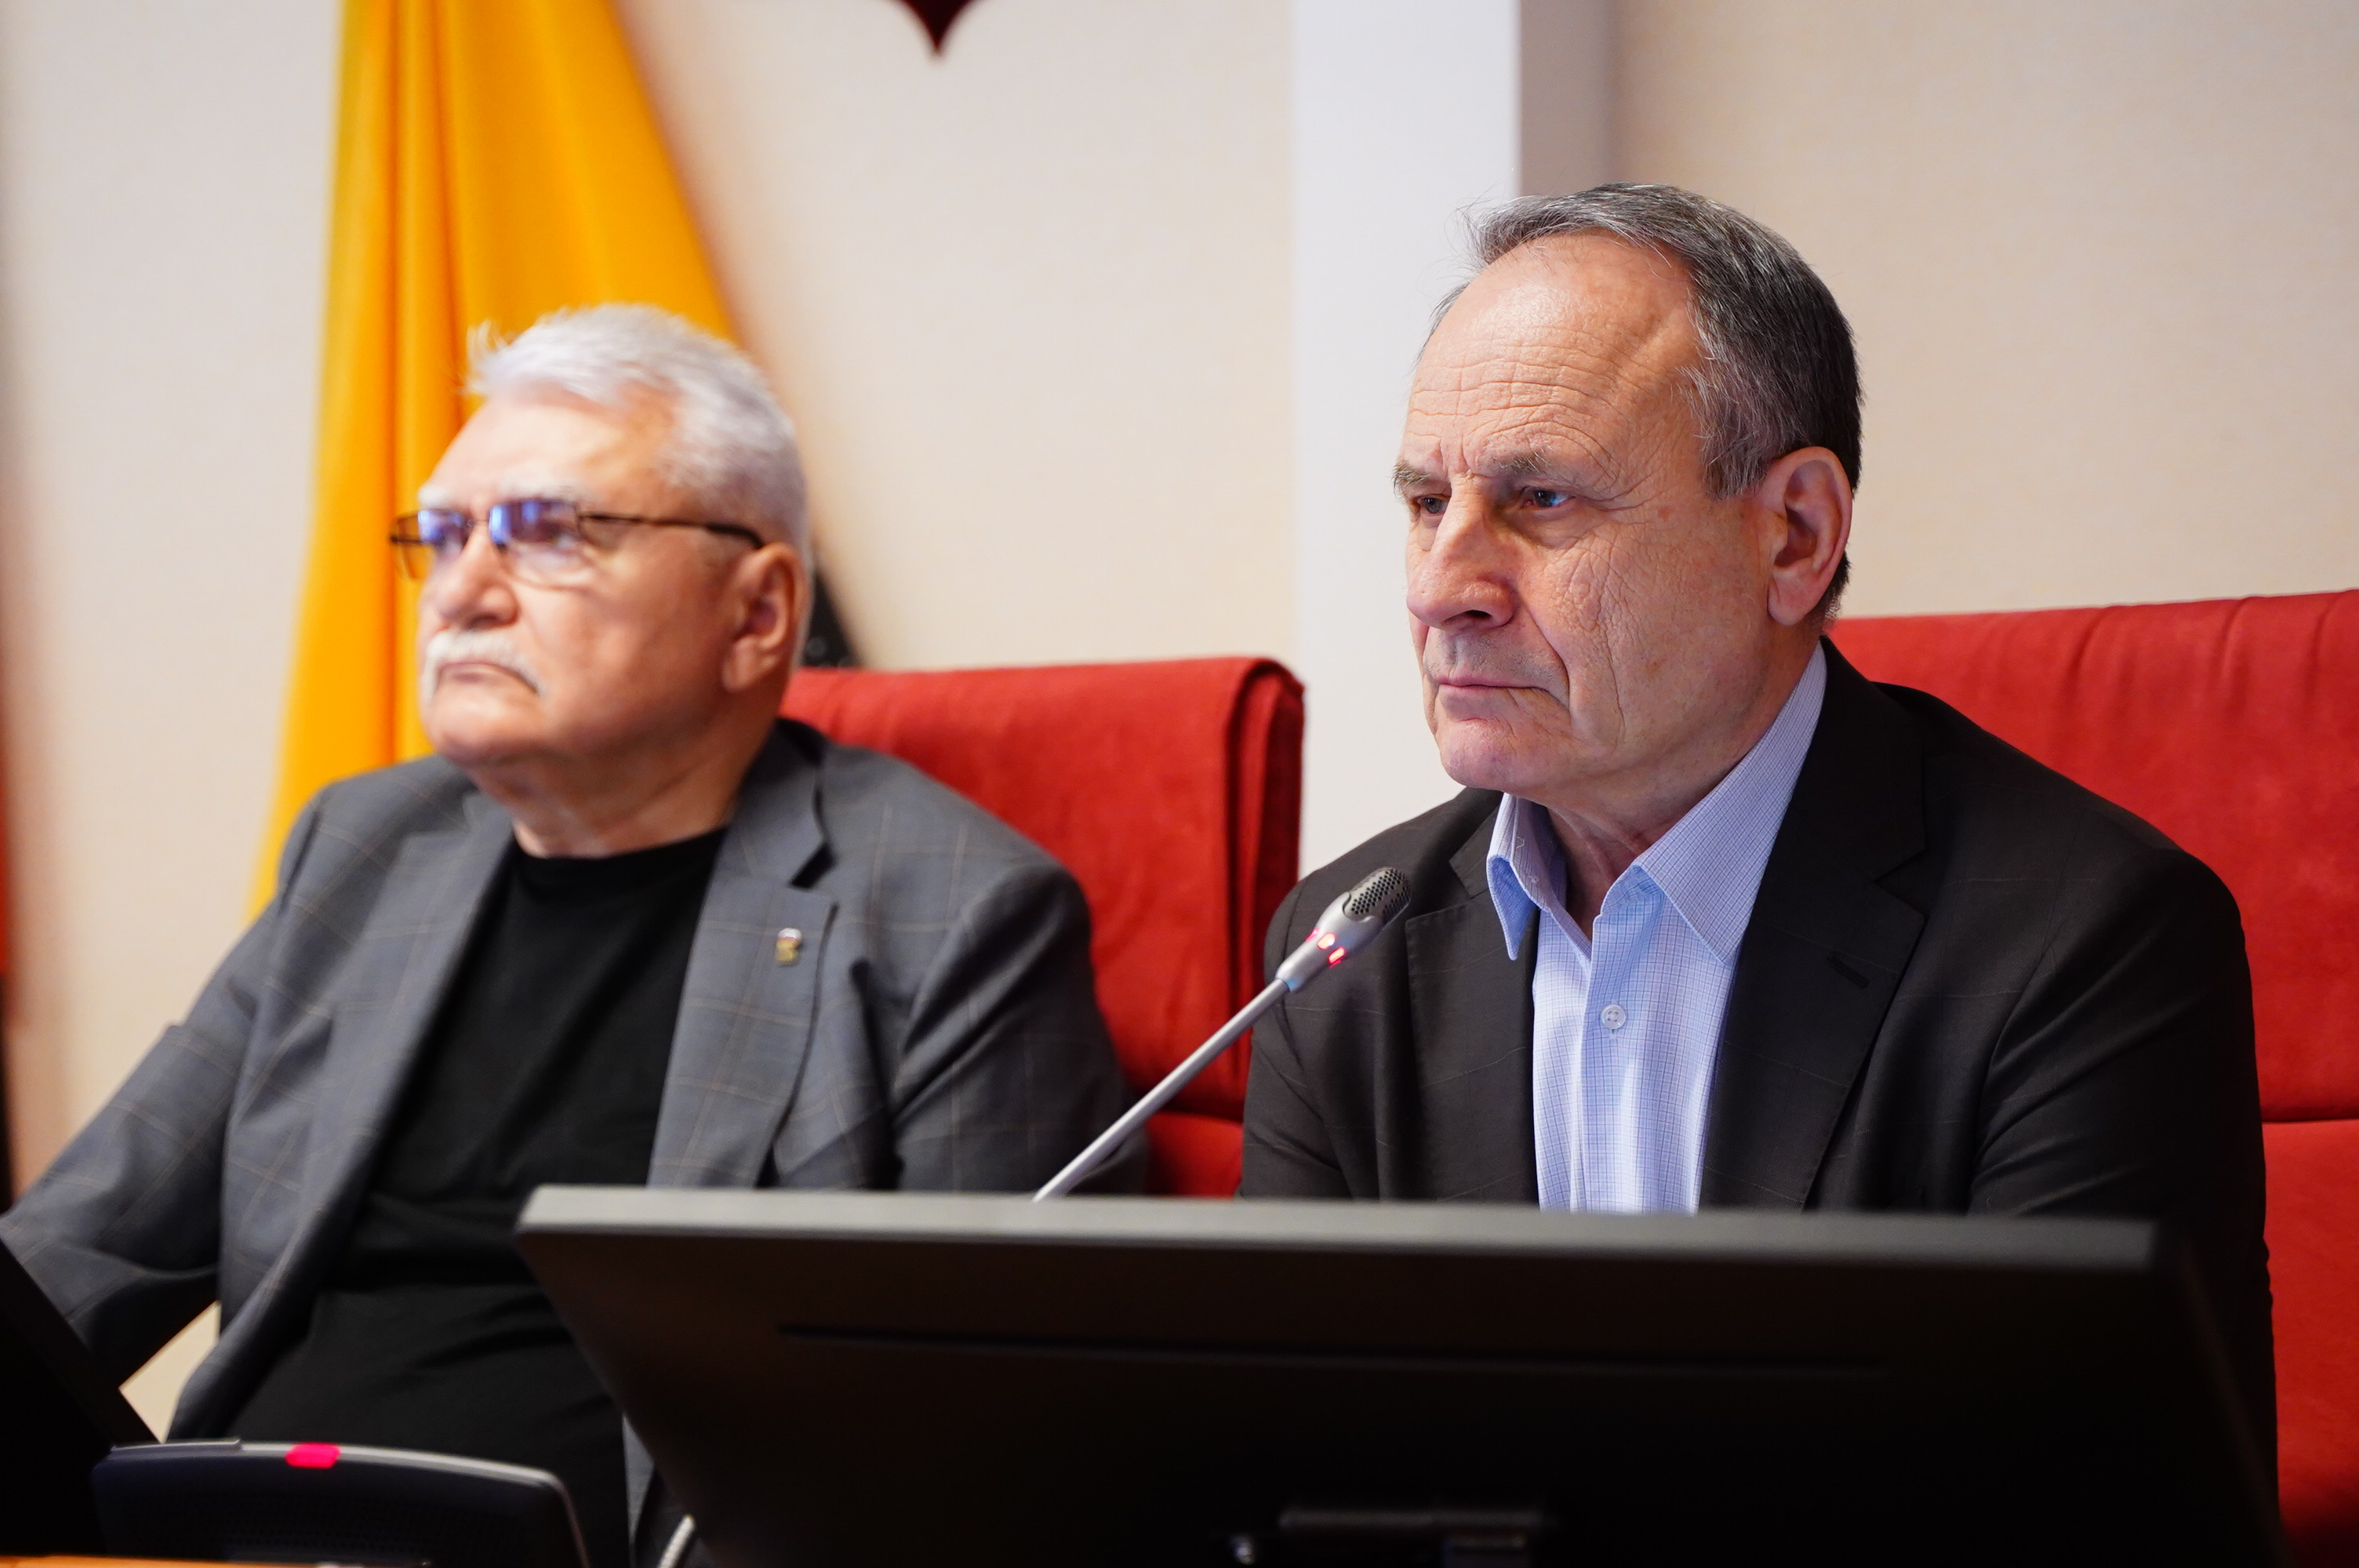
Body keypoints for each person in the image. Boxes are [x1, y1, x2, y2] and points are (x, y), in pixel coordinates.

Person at [1, 304, 1136, 1568]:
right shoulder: (366, 849)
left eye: (548, 533)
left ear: (757, 613)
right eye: (441, 537)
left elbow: (992, 1441)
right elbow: (75, 1252)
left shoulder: (953, 913)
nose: (461, 595)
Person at [1241, 185, 2272, 1454]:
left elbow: (2067, 1501)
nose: (1442, 586)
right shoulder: (1340, 958)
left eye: (1543, 500)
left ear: (1794, 536)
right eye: (1423, 503)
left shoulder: (2085, 949)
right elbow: (1283, 1467)